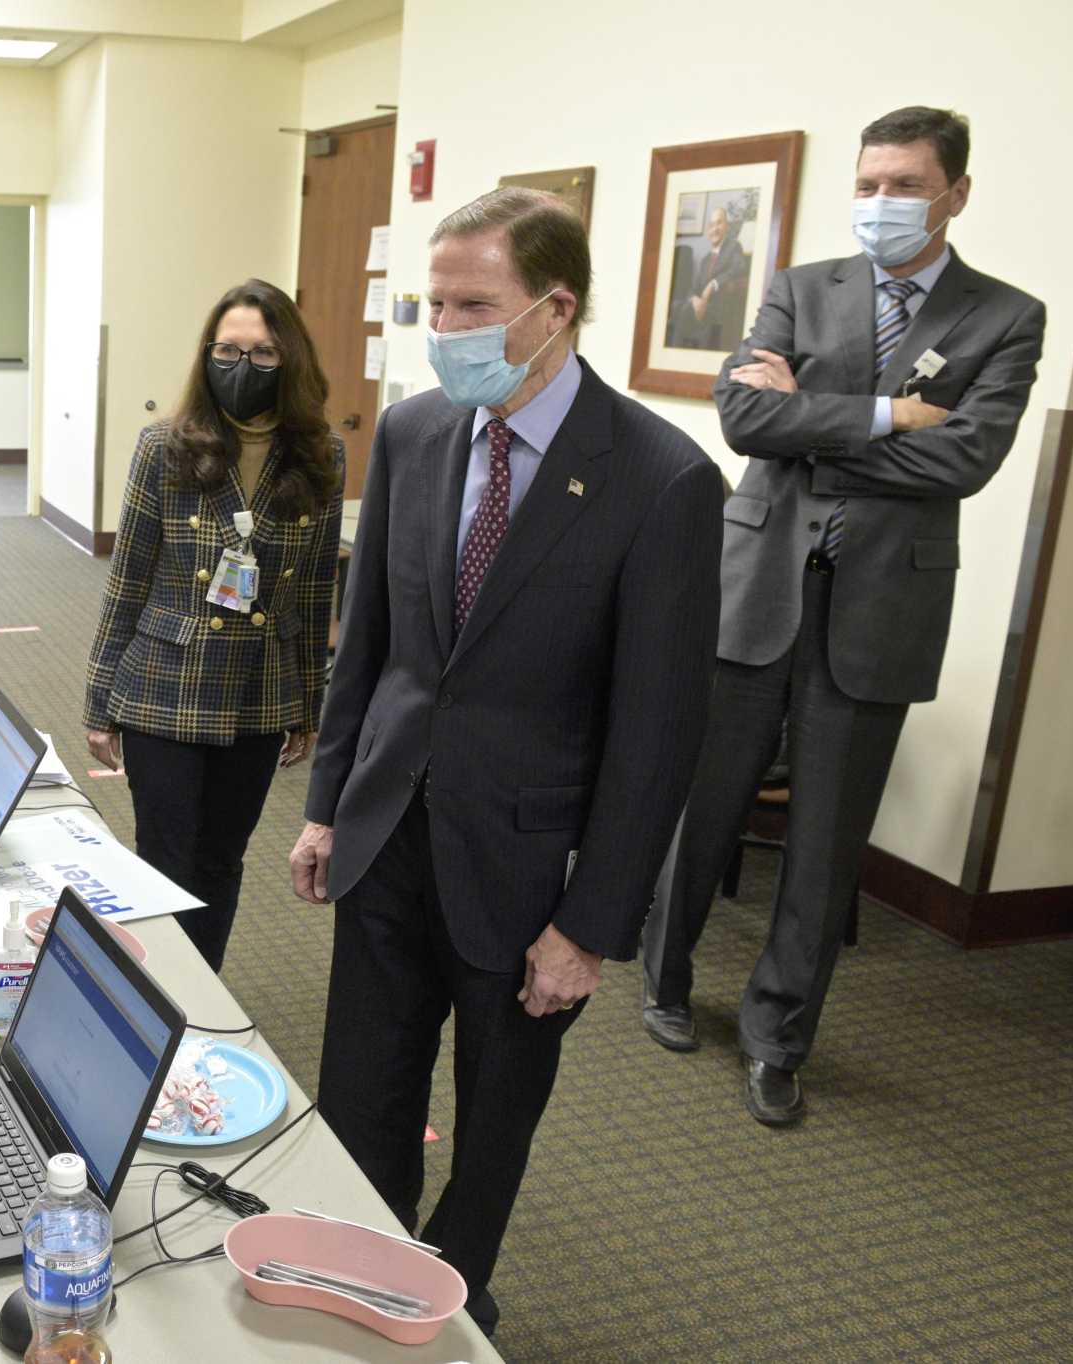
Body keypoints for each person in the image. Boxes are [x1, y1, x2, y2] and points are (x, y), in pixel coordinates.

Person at [290, 188, 722, 1333]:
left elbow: (656, 735)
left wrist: (589, 924)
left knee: (491, 1121)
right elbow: (368, 644)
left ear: (552, 308)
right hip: (385, 833)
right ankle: (353, 1280)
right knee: (359, 1092)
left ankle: (449, 1302)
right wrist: (327, 803)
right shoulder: (413, 430)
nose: (446, 326)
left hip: (527, 871)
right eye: (433, 302)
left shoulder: (660, 479)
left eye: (473, 302)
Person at [641, 107, 1046, 1125]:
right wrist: (884, 412)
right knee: (705, 798)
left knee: (824, 843)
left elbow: (966, 459)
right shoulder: (795, 287)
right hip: (758, 583)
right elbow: (741, 415)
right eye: (866, 184)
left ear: (954, 192)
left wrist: (807, 416)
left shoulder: (1004, 315)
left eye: (903, 185)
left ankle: (778, 1037)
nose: (879, 204)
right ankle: (661, 974)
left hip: (879, 604)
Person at [83, 278, 344, 972]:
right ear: (207, 354)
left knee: (223, 859)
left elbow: (318, 590)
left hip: (259, 694)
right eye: (228, 350)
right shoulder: (164, 446)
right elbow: (128, 578)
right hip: (165, 683)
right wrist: (100, 702)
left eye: (262, 354)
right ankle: (155, 994)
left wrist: (309, 705)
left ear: (290, 362)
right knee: (166, 857)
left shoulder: (320, 457)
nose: (242, 366)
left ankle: (201, 988)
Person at [668, 205, 750, 350]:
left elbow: (739, 267)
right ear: (708, 231)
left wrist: (713, 284)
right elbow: (694, 288)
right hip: (701, 307)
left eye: (719, 223)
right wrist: (695, 300)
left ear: (726, 226)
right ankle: (675, 352)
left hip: (720, 305)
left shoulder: (734, 247)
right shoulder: (705, 259)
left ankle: (674, 352)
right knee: (678, 307)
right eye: (711, 225)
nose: (715, 228)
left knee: (682, 311)